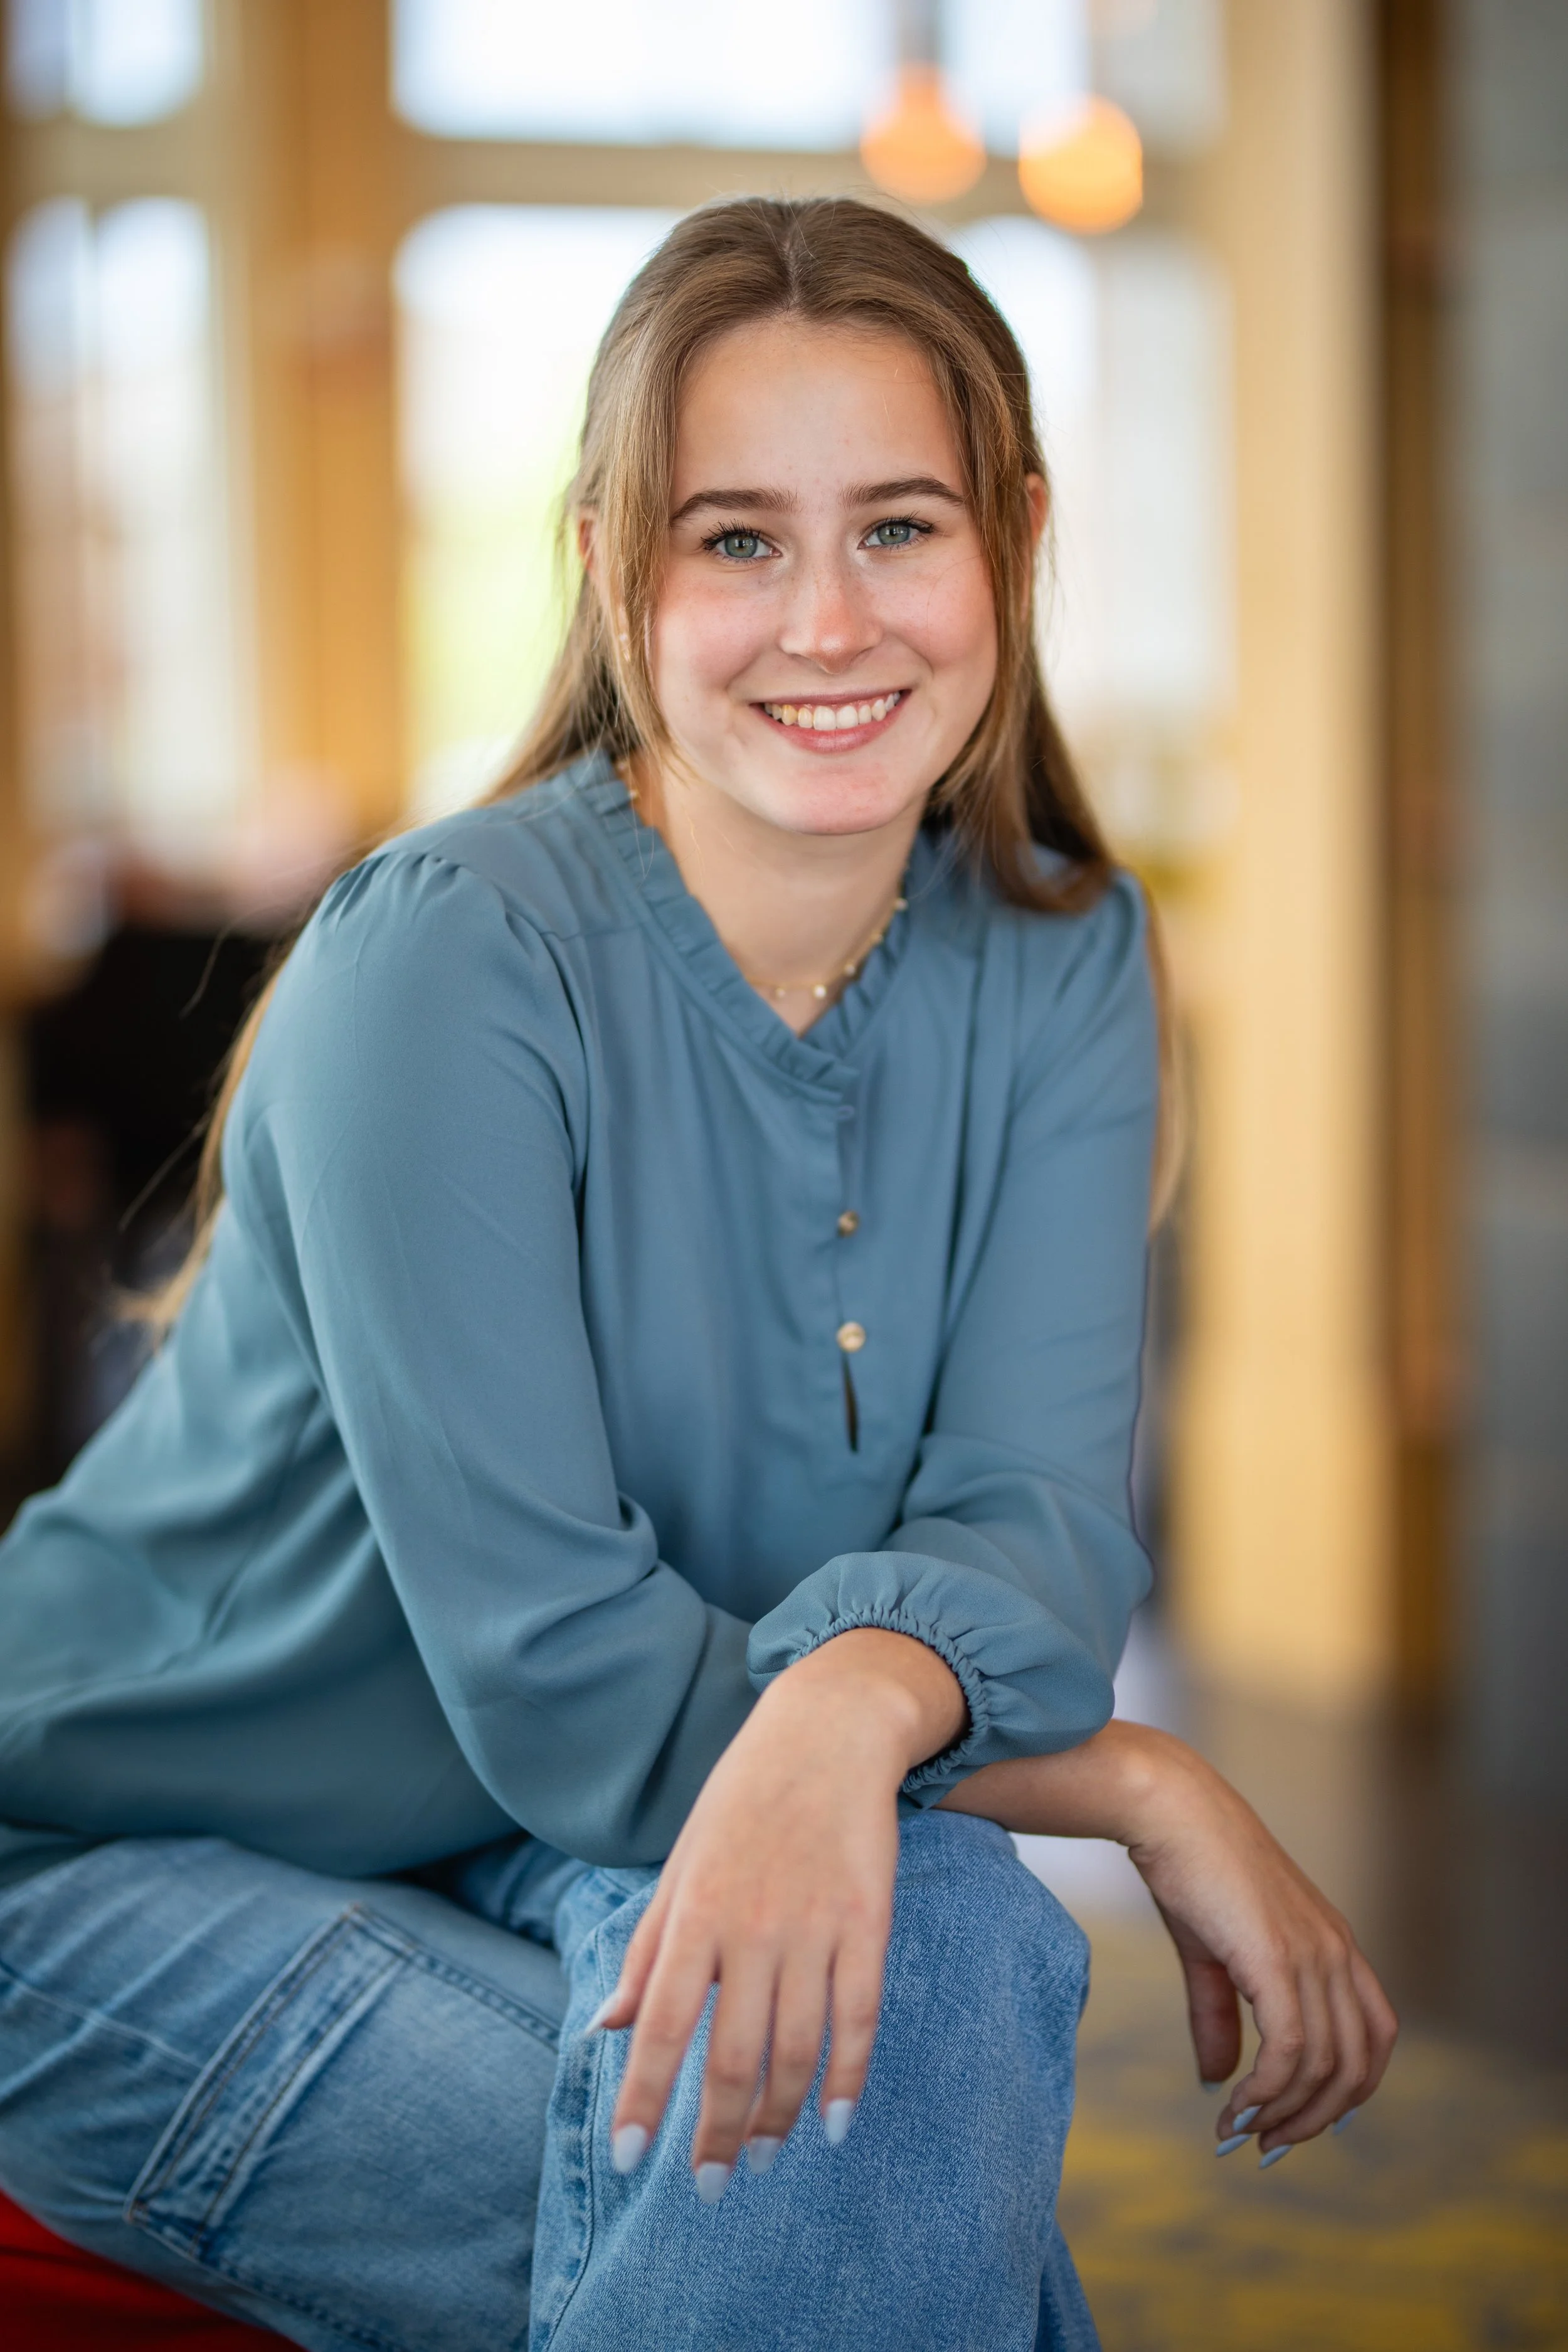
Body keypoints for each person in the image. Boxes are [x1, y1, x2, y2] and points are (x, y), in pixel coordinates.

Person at [0, 197, 1396, 2352]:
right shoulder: (448, 962)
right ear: (604, 558)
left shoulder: (1067, 958)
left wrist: (857, 1693)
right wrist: (1125, 1773)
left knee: (921, 1964)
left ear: (1013, 538)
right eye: (733, 537)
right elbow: (564, 1677)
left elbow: (1027, 1520)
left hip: (579, 1836)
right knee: (899, 2198)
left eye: (898, 527)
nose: (824, 621)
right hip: (112, 1858)